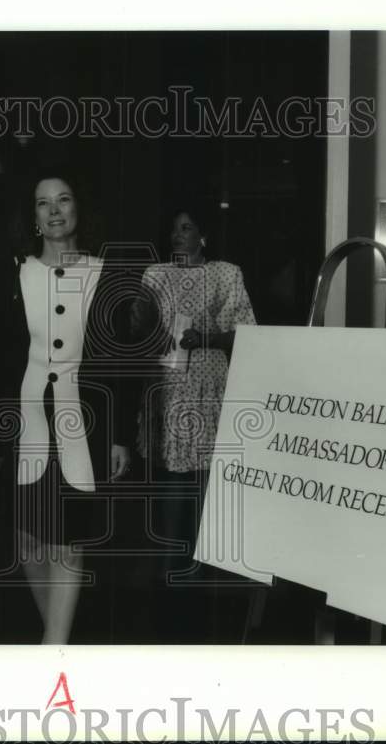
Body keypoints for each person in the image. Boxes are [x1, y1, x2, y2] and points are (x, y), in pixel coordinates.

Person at [0, 167, 133, 644]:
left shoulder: (106, 273)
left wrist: (121, 434)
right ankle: (56, 645)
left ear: (78, 208)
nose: (55, 210)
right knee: (27, 538)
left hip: (84, 423)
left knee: (69, 537)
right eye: (44, 203)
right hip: (24, 422)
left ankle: (53, 648)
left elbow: (119, 362)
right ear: (33, 216)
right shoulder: (14, 273)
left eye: (64, 200)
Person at [134, 206, 256, 639]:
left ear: (204, 235)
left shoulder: (225, 274)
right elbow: (134, 329)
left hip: (209, 399)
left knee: (207, 495)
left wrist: (204, 338)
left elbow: (246, 333)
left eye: (187, 228)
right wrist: (149, 330)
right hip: (168, 399)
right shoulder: (155, 275)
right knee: (171, 496)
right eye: (173, 229)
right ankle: (170, 590)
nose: (178, 236)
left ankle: (205, 589)